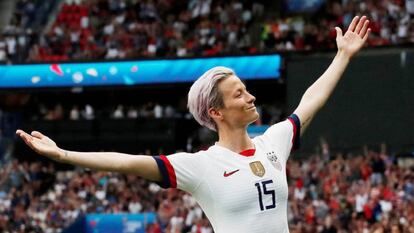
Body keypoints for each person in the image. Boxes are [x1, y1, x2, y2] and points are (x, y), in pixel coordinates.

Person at [16, 16, 371, 233]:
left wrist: (343, 56)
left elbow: (310, 101)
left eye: (247, 90)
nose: (250, 98)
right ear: (216, 113)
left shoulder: (273, 142)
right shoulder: (200, 166)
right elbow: (126, 161)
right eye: (238, 95)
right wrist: (64, 154)